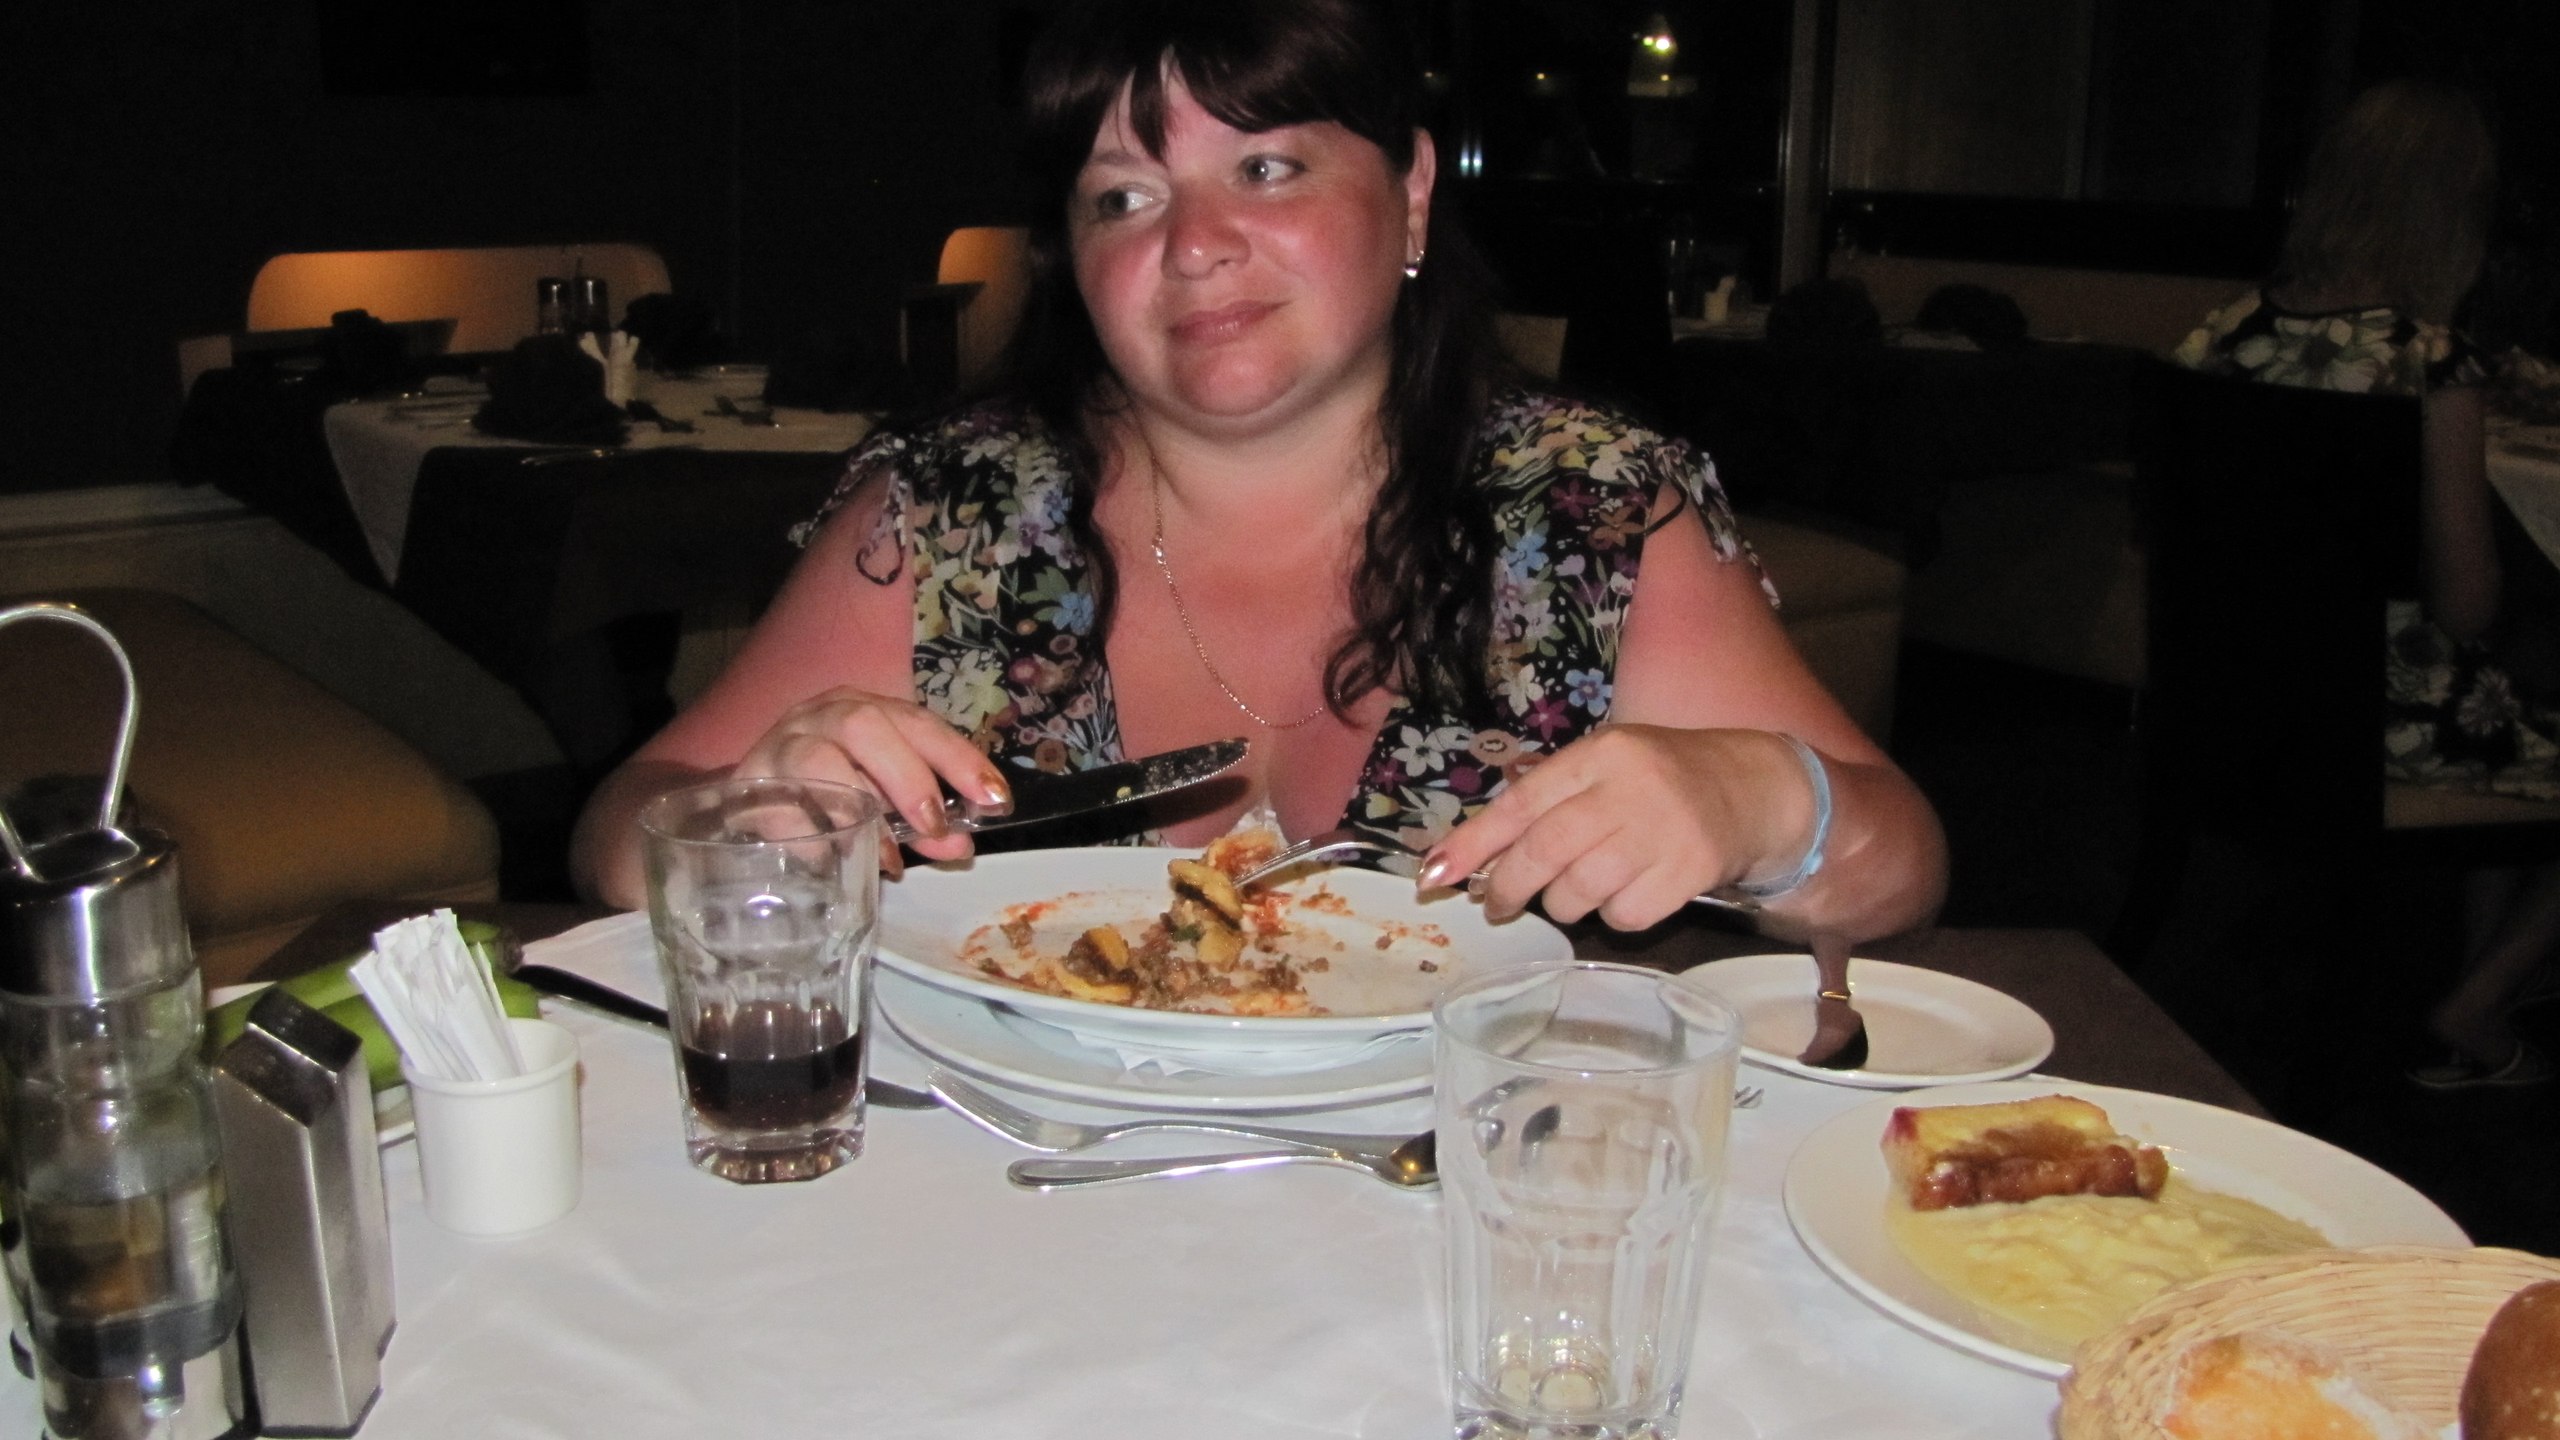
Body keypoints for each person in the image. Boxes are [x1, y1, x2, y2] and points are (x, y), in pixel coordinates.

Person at [571, 0, 1946, 949]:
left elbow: (1900, 870)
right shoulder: (951, 513)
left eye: (1269, 167)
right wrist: (738, 820)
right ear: (1070, 255)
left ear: (1411, 191)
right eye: (1123, 196)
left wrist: (1763, 806)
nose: (1194, 244)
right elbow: (618, 830)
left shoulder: (1583, 508)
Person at [2175, 78, 2557, 1089]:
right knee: (2512, 692)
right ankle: (2479, 1003)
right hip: (2367, 736)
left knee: (2508, 696)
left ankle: (2476, 975)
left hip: (2226, 706)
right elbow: (2466, 607)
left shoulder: (2219, 336)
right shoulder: (2428, 360)